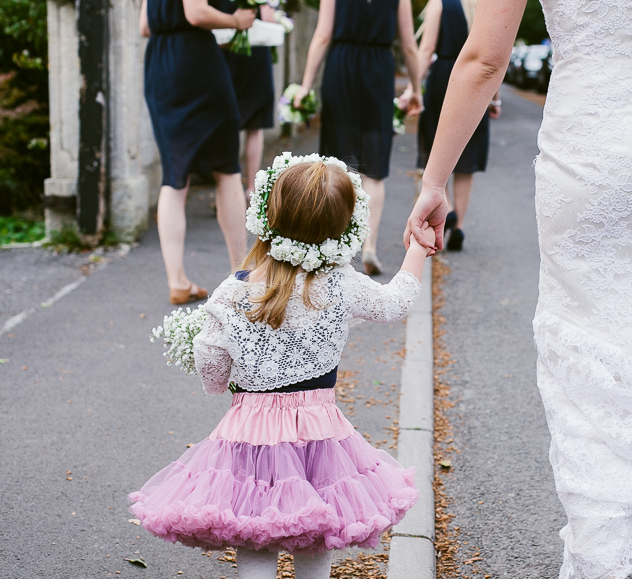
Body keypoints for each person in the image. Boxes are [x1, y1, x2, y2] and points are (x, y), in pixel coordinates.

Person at [405, 0, 632, 576]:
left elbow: (483, 58)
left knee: (589, 352)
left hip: (591, 150)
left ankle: (603, 544)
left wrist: (434, 180)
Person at [129, 156, 432, 579]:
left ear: (268, 215)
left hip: (248, 436)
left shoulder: (230, 294)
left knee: (255, 531)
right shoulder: (342, 284)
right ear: (344, 227)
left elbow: (214, 379)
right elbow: (395, 302)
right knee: (314, 530)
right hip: (319, 435)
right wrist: (418, 247)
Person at [293, 0, 423, 275]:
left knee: (335, 163)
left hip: (341, 68)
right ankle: (370, 247)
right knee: (374, 168)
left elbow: (322, 36)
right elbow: (410, 46)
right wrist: (416, 88)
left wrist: (305, 86)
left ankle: (335, 245)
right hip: (378, 71)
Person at [140, 0, 251, 304]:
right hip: (195, 61)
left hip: (160, 65)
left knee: (174, 175)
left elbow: (145, 26)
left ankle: (177, 281)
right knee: (227, 170)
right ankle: (239, 275)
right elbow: (196, 12)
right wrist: (236, 20)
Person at [405, 0, 500, 251]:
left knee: (442, 150)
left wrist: (412, 88)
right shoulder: (483, 7)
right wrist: (494, 97)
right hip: (475, 87)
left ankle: (440, 216)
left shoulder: (439, 4)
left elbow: (425, 51)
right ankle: (458, 225)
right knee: (466, 158)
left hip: (443, 83)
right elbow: (491, 57)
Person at [217, 1, 277, 200]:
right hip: (254, 50)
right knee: (255, 124)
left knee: (226, 123)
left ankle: (227, 191)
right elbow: (268, 17)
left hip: (225, 50)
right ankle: (251, 188)